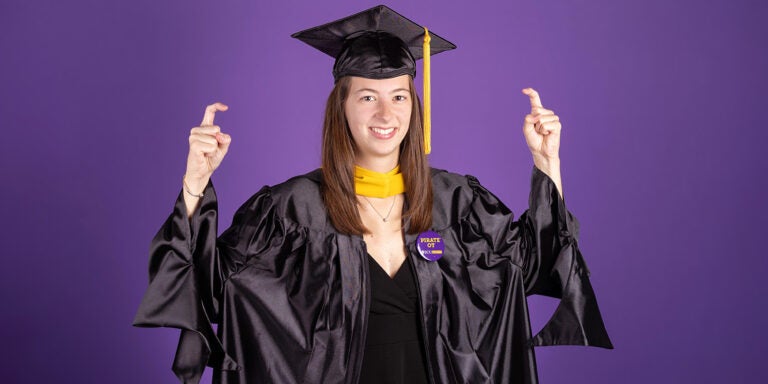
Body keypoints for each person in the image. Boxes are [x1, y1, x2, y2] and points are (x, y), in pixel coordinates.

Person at [134, 5, 612, 384]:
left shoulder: (457, 202)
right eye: (367, 96)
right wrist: (195, 182)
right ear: (341, 106)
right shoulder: (290, 210)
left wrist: (547, 162)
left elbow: (531, 266)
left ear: (414, 105)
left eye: (399, 96)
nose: (386, 113)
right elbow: (208, 289)